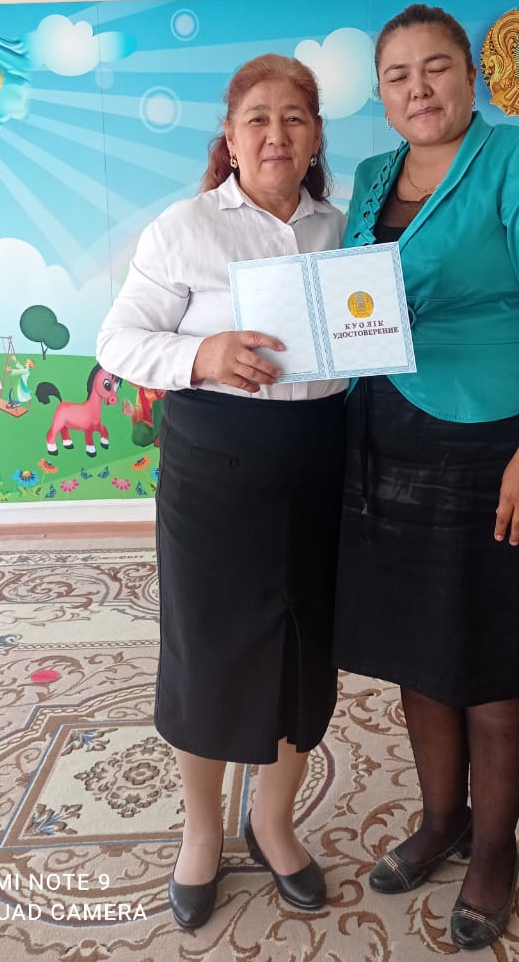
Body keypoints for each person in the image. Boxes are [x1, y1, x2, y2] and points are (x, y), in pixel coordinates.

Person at [333, 4, 519, 951]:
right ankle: (440, 820)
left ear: (470, 78)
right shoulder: (372, 177)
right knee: (421, 651)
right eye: (398, 75)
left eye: (436, 67)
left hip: (492, 443)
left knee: (490, 656)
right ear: (381, 95)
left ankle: (493, 848)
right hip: (385, 438)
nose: (419, 88)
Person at [96, 54, 347, 929]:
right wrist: (201, 354)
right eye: (257, 120)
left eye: (294, 119)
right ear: (230, 141)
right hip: (214, 467)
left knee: (303, 651)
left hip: (319, 463)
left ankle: (272, 824)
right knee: (209, 653)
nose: (276, 135)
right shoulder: (185, 229)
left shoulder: (342, 231)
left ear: (315, 138)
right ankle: (200, 833)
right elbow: (117, 341)